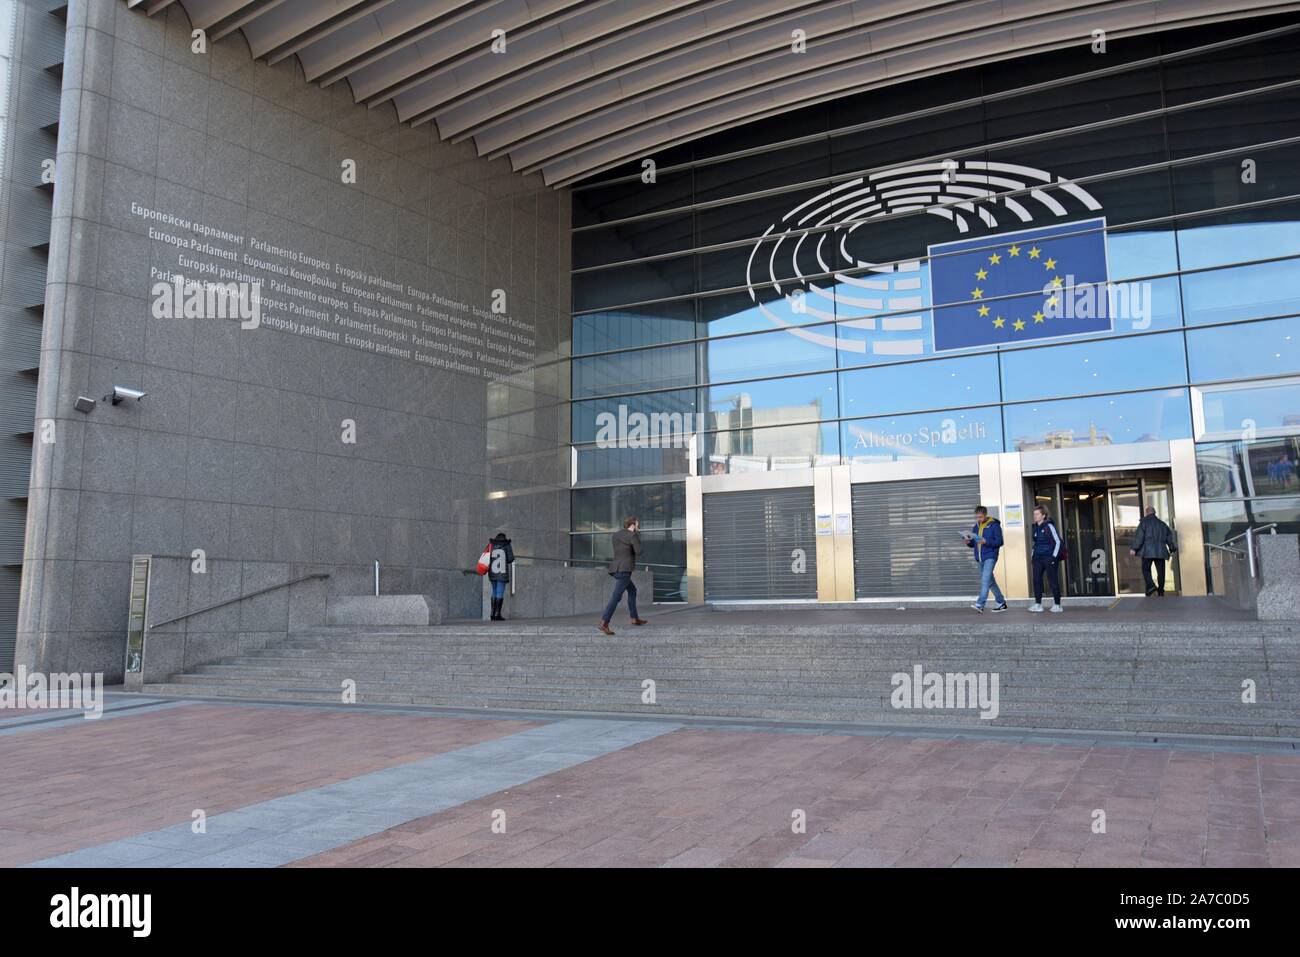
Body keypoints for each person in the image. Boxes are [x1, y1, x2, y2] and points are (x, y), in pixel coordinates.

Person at [598, 516, 647, 636]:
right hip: (625, 570)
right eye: (637, 524)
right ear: (633, 524)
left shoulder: (616, 535)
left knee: (632, 590)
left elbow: (621, 550)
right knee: (616, 597)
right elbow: (639, 551)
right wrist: (636, 539)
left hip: (615, 568)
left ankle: (634, 618)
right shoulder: (633, 535)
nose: (638, 526)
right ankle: (604, 622)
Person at [965, 505, 1008, 613]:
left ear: (985, 515)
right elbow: (974, 543)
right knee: (990, 582)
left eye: (980, 517)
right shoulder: (976, 526)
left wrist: (986, 541)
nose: (978, 519)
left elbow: (1000, 542)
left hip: (990, 557)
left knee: (985, 580)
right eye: (977, 517)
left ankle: (980, 604)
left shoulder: (994, 526)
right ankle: (1001, 603)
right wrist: (968, 542)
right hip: (979, 558)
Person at [1130, 506, 1176, 596]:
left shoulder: (1144, 523)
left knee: (1145, 569)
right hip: (1161, 551)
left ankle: (1151, 586)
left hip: (1147, 551)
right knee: (1161, 572)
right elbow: (1169, 538)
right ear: (1154, 513)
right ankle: (1161, 591)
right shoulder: (1162, 524)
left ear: (1147, 513)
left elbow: (1139, 537)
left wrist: (1134, 548)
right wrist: (1172, 548)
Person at [1029, 505, 1064, 613]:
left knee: (1052, 581)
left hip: (1049, 557)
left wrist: (1053, 557)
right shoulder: (1035, 527)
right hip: (1037, 559)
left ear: (1043, 515)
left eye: (1037, 514)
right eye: (1034, 514)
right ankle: (1038, 604)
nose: (1035, 516)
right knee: (1036, 581)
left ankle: (1057, 605)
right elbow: (1036, 543)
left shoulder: (1049, 526)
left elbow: (1058, 542)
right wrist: (1033, 555)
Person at [487, 531, 514, 621]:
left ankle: (492, 613)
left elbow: (487, 557)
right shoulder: (507, 545)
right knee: (499, 592)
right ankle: (497, 614)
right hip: (502, 573)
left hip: (492, 572)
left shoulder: (491, 545)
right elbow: (510, 559)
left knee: (494, 591)